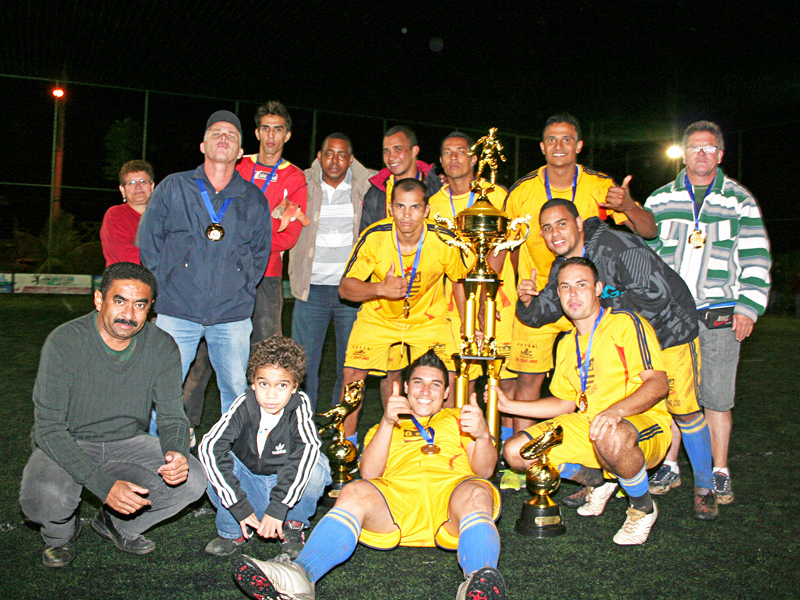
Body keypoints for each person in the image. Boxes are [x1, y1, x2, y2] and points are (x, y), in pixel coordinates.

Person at [233, 350, 505, 600]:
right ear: (406, 387)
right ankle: (300, 575)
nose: (426, 391)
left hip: (453, 501)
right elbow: (370, 473)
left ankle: (478, 582)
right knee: (354, 490)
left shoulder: (462, 419)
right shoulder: (384, 426)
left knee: (478, 490)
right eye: (418, 382)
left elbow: (484, 471)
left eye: (435, 384)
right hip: (396, 503)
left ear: (446, 392)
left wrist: (482, 435)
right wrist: (387, 421)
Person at [514, 198, 717, 519]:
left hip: (668, 331)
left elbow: (655, 294)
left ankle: (705, 489)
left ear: (579, 223)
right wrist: (527, 301)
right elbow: (547, 311)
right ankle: (602, 477)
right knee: (601, 412)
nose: (554, 234)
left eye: (561, 224)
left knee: (684, 409)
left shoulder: (616, 244)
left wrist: (607, 323)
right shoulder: (564, 266)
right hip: (621, 342)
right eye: (547, 229)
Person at [19, 262, 206, 567]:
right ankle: (61, 535)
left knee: (193, 481)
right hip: (70, 440)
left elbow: (173, 416)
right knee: (42, 499)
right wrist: (103, 485)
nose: (129, 315)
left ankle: (117, 525)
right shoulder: (65, 342)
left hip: (127, 440)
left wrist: (176, 453)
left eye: (140, 304)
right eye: (120, 301)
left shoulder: (161, 346)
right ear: (98, 300)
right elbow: (49, 429)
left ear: (150, 307)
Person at [503, 113, 657, 443]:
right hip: (542, 299)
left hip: (587, 299)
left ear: (579, 146)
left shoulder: (601, 186)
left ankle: (591, 447)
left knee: (598, 376)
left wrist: (628, 205)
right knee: (528, 379)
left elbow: (648, 231)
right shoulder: (521, 192)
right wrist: (521, 286)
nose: (559, 146)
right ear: (542, 147)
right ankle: (524, 460)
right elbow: (510, 245)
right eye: (552, 140)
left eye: (567, 139)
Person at [500, 257, 672, 545]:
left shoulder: (626, 323)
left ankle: (643, 508)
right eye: (565, 287)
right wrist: (508, 405)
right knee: (517, 452)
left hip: (641, 424)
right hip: (588, 424)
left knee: (610, 433)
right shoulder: (567, 343)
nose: (573, 294)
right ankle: (598, 480)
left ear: (598, 289)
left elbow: (658, 383)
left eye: (581, 285)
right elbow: (565, 402)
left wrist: (614, 412)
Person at [645, 121, 772, 505]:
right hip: (669, 315)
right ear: (683, 154)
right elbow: (645, 260)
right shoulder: (660, 200)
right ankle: (670, 464)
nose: (701, 154)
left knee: (717, 398)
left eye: (709, 148)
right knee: (669, 393)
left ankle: (720, 471)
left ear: (720, 155)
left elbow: (755, 256)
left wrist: (748, 306)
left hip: (718, 312)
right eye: (694, 148)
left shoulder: (739, 200)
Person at [138, 110, 272, 422]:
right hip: (176, 313)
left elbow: (259, 254)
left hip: (232, 316)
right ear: (202, 146)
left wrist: (237, 288)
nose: (223, 138)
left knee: (237, 392)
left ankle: (230, 463)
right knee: (164, 390)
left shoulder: (253, 198)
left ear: (240, 152)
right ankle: (157, 460)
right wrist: (167, 287)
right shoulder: (174, 187)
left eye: (231, 135)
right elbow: (149, 241)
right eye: (216, 133)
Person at [338, 178, 472, 440]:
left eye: (414, 207)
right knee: (351, 377)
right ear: (390, 208)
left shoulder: (444, 239)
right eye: (400, 206)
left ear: (426, 210)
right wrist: (380, 289)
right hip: (378, 317)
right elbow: (345, 288)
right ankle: (347, 450)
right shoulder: (375, 236)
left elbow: (458, 280)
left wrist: (468, 325)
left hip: (427, 319)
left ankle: (447, 448)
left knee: (449, 377)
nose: (406, 215)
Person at [198, 336, 330, 559]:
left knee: (316, 464)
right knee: (209, 464)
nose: (271, 394)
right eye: (263, 384)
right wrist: (238, 504)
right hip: (249, 488)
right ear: (252, 383)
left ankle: (292, 525)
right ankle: (233, 530)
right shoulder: (244, 404)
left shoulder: (300, 406)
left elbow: (307, 448)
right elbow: (209, 447)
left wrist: (279, 508)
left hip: (285, 488)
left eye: (282, 385)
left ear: (295, 386)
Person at [428, 132, 519, 453]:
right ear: (440, 161)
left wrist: (481, 305)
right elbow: (445, 261)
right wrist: (468, 307)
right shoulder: (435, 204)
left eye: (461, 152)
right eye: (447, 153)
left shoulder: (498, 195)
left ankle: (505, 447)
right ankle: (457, 446)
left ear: (474, 158)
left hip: (496, 300)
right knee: (455, 375)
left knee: (503, 376)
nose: (454, 158)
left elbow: (501, 248)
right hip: (452, 302)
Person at [289, 133, 377, 410]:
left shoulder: (368, 185)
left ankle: (340, 430)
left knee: (349, 366)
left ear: (351, 160)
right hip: (310, 291)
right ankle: (301, 426)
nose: (335, 160)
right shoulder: (300, 182)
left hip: (350, 293)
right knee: (302, 367)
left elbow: (405, 178)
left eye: (342, 155)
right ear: (319, 156)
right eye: (329, 153)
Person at [236, 100, 309, 343]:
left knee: (266, 344)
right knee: (212, 345)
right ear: (256, 132)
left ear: (287, 135)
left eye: (277, 129)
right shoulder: (238, 165)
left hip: (267, 272)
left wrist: (247, 241)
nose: (271, 135)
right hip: (228, 268)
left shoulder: (295, 177)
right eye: (265, 128)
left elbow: (290, 237)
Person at [359, 125, 443, 231]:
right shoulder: (375, 193)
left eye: (398, 149)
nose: (391, 157)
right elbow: (367, 239)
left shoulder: (437, 188)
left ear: (414, 151)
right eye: (386, 151)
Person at [99, 160, 155, 266]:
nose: (138, 187)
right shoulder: (115, 215)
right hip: (126, 279)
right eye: (131, 183)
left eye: (143, 181)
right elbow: (124, 253)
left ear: (152, 186)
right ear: (122, 190)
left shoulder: (164, 215)